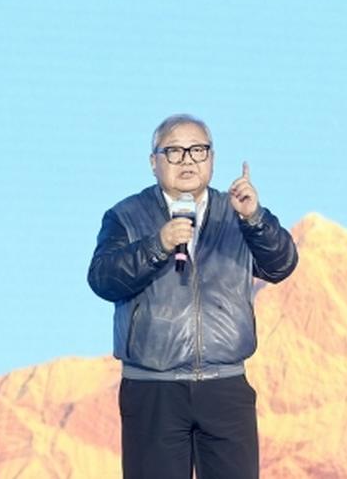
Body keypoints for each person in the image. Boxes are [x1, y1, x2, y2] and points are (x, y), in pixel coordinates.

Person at [87, 114, 298, 479]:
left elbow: (281, 265)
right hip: (153, 388)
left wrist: (255, 219)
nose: (187, 160)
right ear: (153, 162)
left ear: (211, 158)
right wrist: (158, 244)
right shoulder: (125, 216)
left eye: (198, 150)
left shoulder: (238, 211)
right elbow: (103, 279)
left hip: (225, 386)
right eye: (174, 151)